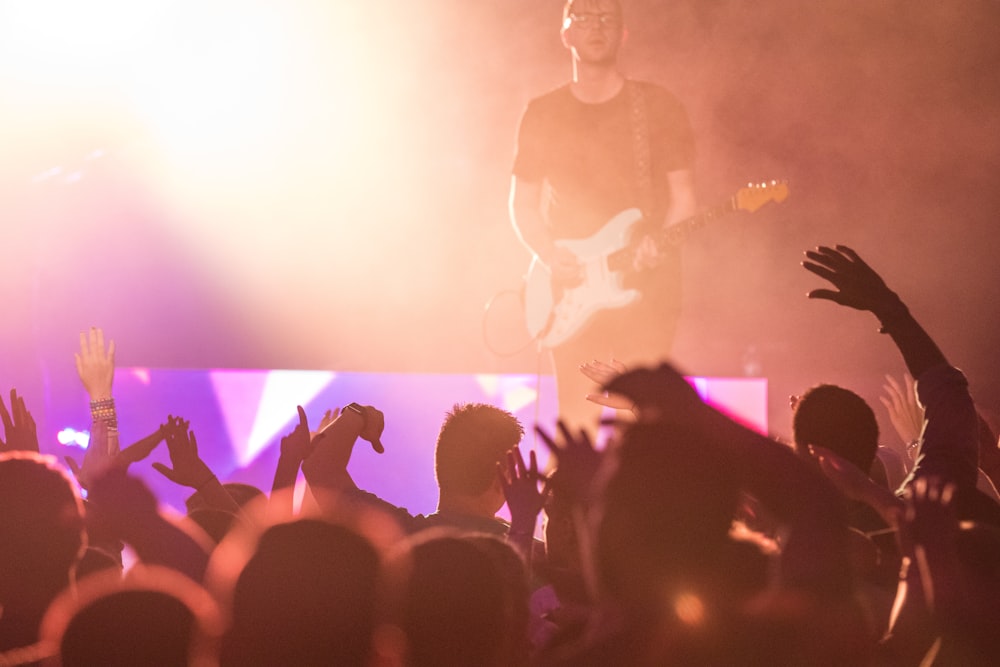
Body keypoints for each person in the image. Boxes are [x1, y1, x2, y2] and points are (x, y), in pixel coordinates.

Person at [509, 0, 697, 435]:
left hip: (646, 293)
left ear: (623, 33)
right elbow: (523, 203)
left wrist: (659, 243)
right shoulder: (543, 112)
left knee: (648, 427)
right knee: (577, 424)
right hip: (574, 293)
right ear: (566, 34)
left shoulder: (657, 106)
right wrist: (550, 254)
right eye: (584, 17)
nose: (596, 26)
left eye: (607, 18)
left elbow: (684, 198)